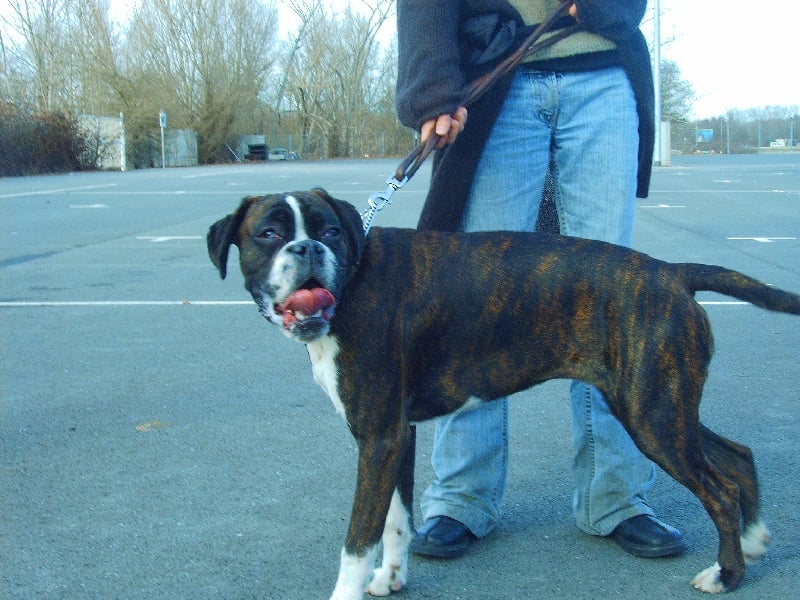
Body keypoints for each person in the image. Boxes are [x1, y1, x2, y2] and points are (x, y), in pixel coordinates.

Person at [395, 0, 688, 559]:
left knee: (608, 302)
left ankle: (615, 497)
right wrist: (432, 85)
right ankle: (462, 495)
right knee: (473, 300)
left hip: (603, 71)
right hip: (495, 70)